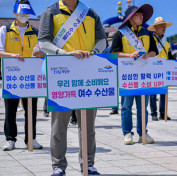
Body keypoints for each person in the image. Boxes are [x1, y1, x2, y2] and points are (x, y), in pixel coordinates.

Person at [38, 0, 107, 175]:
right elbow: (43, 43)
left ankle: (88, 164)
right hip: (62, 74)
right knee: (58, 126)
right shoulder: (51, 12)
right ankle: (58, 166)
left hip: (88, 73)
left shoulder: (91, 13)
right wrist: (65, 54)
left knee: (88, 125)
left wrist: (95, 52)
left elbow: (102, 40)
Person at [0, 0, 44, 151]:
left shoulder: (36, 32)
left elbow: (43, 52)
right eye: (21, 13)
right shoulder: (4, 30)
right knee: (10, 110)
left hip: (31, 76)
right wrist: (11, 54)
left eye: (26, 14)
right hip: (12, 76)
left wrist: (40, 53)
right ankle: (10, 139)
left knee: (30, 111)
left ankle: (30, 139)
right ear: (14, 13)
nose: (24, 16)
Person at [111, 5, 158, 145]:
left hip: (144, 75)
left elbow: (154, 52)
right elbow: (114, 53)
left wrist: (147, 55)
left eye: (142, 15)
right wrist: (129, 55)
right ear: (130, 18)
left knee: (143, 105)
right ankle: (127, 133)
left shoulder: (147, 32)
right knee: (126, 105)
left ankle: (143, 132)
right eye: (138, 14)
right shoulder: (120, 33)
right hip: (127, 75)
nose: (141, 17)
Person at [148, 16, 174, 121]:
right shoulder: (151, 39)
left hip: (164, 67)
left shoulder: (166, 39)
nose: (163, 28)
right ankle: (154, 113)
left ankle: (163, 113)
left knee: (164, 91)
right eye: (161, 26)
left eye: (164, 26)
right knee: (153, 92)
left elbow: (169, 53)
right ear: (155, 28)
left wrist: (175, 63)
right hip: (153, 67)